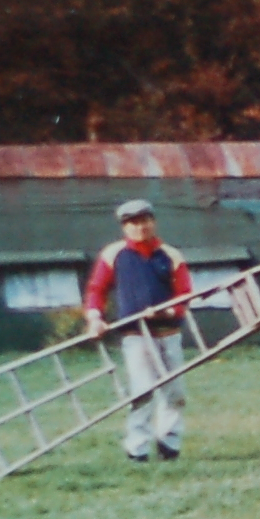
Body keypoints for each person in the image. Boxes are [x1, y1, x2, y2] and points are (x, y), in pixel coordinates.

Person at [83, 198, 192, 462]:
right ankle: (138, 448)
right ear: (124, 227)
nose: (140, 227)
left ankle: (169, 444)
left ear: (153, 222)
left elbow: (185, 294)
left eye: (144, 220)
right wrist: (95, 318)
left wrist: (166, 311)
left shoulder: (171, 255)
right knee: (142, 391)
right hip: (135, 335)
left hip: (168, 333)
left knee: (174, 392)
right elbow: (96, 290)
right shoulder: (113, 254)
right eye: (133, 223)